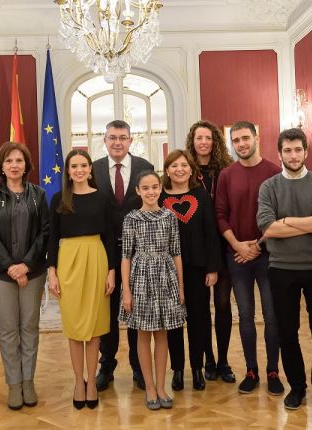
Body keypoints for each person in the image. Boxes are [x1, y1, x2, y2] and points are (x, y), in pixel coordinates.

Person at [256, 128, 312, 413]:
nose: (293, 155)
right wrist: (305, 221)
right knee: (287, 332)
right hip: (282, 269)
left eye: (297, 150)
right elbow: (267, 228)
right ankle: (298, 388)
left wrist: (286, 222)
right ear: (280, 154)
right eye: (287, 150)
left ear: (305, 151)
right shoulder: (269, 187)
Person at [215, 121, 284, 396]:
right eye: (236, 140)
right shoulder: (226, 175)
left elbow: (280, 214)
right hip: (237, 257)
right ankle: (251, 370)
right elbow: (220, 214)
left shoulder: (274, 172)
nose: (241, 144)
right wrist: (238, 246)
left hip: (269, 255)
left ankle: (273, 371)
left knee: (271, 316)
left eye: (245, 138)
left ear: (257, 137)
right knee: (244, 316)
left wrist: (257, 244)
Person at [0, 142, 49, 410]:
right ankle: (13, 384)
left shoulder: (38, 194)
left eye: (19, 160)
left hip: (33, 272)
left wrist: (27, 265)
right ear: (1, 166)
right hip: (0, 273)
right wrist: (10, 266)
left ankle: (28, 381)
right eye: (9, 161)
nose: (14, 165)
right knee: (8, 329)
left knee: (30, 327)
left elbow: (45, 232)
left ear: (26, 165)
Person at [47, 149, 116, 410]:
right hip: (69, 262)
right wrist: (52, 271)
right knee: (75, 327)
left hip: (97, 259)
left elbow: (110, 237)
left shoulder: (102, 198)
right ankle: (79, 382)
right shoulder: (58, 199)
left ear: (90, 169)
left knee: (95, 327)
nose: (79, 170)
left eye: (83, 165)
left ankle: (91, 384)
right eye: (74, 166)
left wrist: (111, 270)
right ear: (67, 170)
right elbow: (52, 238)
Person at [93, 119, 154, 391]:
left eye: (123, 137)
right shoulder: (92, 169)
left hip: (138, 252)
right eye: (112, 137)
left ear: (131, 140)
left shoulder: (145, 168)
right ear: (104, 140)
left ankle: (138, 366)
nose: (117, 142)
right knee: (107, 311)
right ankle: (106, 365)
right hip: (103, 250)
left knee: (135, 308)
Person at [119, 171, 186, 410]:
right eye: (145, 188)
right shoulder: (131, 219)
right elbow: (125, 256)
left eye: (155, 187)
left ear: (160, 188)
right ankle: (148, 386)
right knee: (143, 334)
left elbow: (176, 252)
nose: (150, 192)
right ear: (137, 191)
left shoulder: (170, 216)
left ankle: (160, 386)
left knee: (162, 334)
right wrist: (126, 291)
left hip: (165, 276)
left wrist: (180, 286)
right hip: (140, 279)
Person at [160, 149, 220, 391]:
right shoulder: (160, 197)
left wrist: (212, 268)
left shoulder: (201, 195)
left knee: (199, 320)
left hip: (197, 268)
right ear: (166, 171)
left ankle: (197, 368)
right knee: (173, 322)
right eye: (174, 166)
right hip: (168, 271)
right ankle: (177, 370)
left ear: (191, 169)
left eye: (184, 165)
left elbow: (211, 234)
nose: (179, 169)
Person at [184, 120, 235, 383]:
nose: (203, 142)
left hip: (224, 242)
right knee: (200, 309)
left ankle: (224, 360)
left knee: (223, 304)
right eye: (199, 138)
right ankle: (208, 360)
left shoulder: (226, 170)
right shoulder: (186, 171)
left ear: (215, 142)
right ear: (192, 142)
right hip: (198, 248)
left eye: (208, 138)